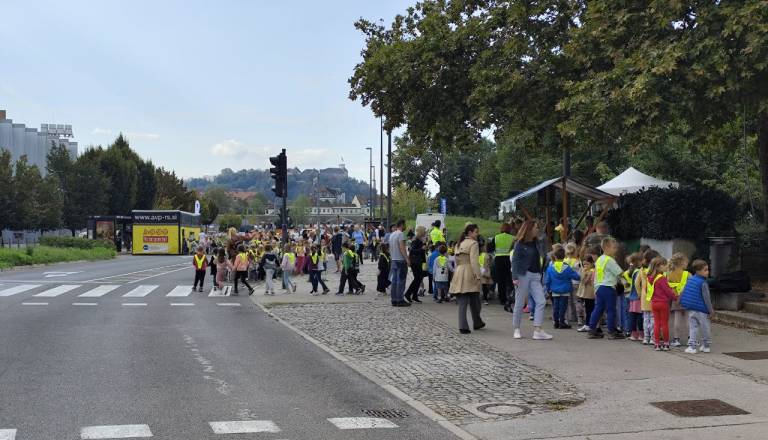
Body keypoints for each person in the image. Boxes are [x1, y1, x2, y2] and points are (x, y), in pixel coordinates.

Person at [511, 220, 552, 340]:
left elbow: (544, 252)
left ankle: (538, 330)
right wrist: (515, 277)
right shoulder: (519, 244)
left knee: (541, 301)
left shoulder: (537, 242)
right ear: (529, 229)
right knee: (519, 303)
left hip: (535, 275)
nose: (537, 230)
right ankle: (517, 328)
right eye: (535, 228)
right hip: (522, 275)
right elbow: (515, 261)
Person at [449, 224, 485, 334]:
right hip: (469, 272)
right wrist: (478, 276)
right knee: (475, 299)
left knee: (463, 301)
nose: (477, 234)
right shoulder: (474, 244)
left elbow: (456, 260)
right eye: (476, 232)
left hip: (459, 272)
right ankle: (476, 322)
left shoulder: (458, 244)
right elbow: (474, 262)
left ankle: (466, 325)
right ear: (470, 232)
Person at [587, 237, 624, 339]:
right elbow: (619, 272)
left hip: (599, 287)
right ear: (607, 248)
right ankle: (612, 331)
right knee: (611, 309)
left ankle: (591, 329)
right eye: (614, 248)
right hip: (608, 287)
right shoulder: (610, 260)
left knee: (598, 308)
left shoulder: (600, 259)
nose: (616, 250)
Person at [680, 260, 714, 354]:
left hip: (691, 309)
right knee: (705, 327)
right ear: (698, 271)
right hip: (702, 310)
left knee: (693, 328)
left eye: (708, 270)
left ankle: (692, 347)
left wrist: (682, 304)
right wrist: (711, 311)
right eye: (705, 270)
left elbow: (683, 292)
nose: (708, 272)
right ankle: (706, 345)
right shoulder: (703, 283)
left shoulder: (690, 280)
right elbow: (707, 298)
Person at [545, 247, 581, 329]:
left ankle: (556, 322)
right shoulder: (567, 268)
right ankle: (562, 322)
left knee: (555, 307)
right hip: (565, 290)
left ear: (555, 256)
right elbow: (576, 277)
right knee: (563, 307)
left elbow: (547, 280)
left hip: (554, 290)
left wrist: (548, 289)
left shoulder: (551, 268)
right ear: (564, 256)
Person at [646, 256, 677, 351]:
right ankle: (666, 343)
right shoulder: (662, 278)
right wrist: (675, 297)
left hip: (654, 303)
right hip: (663, 303)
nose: (667, 267)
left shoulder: (650, 278)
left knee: (656, 323)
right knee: (664, 324)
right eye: (665, 265)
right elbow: (668, 291)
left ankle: (657, 344)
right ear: (659, 266)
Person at [666, 253, 691, 347]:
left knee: (677, 319)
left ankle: (676, 339)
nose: (687, 264)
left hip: (675, 299)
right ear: (681, 263)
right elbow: (692, 285)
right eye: (686, 262)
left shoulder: (669, 274)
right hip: (687, 298)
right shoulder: (687, 274)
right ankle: (690, 338)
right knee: (688, 319)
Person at [639, 249, 660, 344]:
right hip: (654, 298)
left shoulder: (642, 271)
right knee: (653, 318)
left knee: (645, 318)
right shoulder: (656, 272)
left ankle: (645, 337)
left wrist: (640, 293)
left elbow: (636, 284)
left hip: (644, 298)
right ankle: (652, 338)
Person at [493, 223, 515, 308]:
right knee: (509, 279)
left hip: (498, 259)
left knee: (500, 280)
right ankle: (510, 296)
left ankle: (502, 299)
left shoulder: (496, 237)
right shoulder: (513, 238)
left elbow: (490, 248)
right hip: (508, 259)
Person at [388, 219, 410, 307]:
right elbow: (402, 248)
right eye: (405, 224)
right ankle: (400, 299)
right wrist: (407, 259)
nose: (405, 226)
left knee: (394, 281)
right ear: (402, 224)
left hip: (394, 259)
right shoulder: (401, 234)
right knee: (401, 281)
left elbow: (390, 248)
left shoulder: (392, 234)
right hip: (400, 260)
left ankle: (394, 299)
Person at [405, 226, 428, 303]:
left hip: (419, 262)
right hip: (415, 262)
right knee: (417, 279)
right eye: (424, 231)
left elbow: (422, 249)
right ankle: (408, 294)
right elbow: (412, 251)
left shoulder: (420, 239)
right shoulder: (416, 240)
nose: (425, 232)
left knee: (418, 279)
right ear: (421, 232)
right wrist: (422, 248)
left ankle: (414, 295)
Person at [625, 252, 644, 341]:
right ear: (639, 261)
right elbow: (639, 284)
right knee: (640, 317)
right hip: (638, 297)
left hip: (632, 297)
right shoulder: (639, 271)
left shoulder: (633, 270)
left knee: (633, 316)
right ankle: (641, 335)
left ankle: (633, 334)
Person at [576, 255, 596, 332]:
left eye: (587, 264)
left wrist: (586, 273)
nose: (585, 266)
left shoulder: (592, 271)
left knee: (589, 310)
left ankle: (588, 325)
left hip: (590, 294)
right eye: (584, 264)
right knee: (588, 309)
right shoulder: (585, 271)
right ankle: (588, 324)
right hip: (586, 294)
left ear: (592, 263)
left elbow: (585, 282)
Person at [564, 243, 582, 325]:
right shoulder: (578, 262)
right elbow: (581, 273)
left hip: (567, 283)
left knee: (568, 302)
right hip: (576, 283)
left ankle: (571, 317)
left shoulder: (564, 262)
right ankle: (580, 319)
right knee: (577, 301)